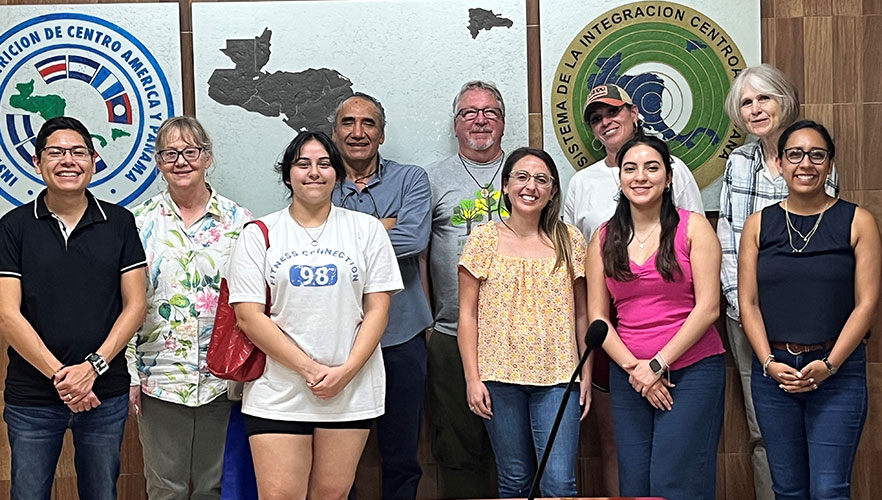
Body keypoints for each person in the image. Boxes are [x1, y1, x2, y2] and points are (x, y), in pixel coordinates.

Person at [227, 131, 402, 500]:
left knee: (332, 494)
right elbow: (248, 316)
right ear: (288, 174)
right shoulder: (259, 234)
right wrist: (310, 370)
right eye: (303, 164)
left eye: (324, 164)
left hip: (350, 387)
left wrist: (346, 371)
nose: (314, 172)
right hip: (279, 389)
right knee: (280, 496)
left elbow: (378, 309)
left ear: (337, 173)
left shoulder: (366, 230)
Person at [563, 82, 704, 495]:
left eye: (613, 112)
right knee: (621, 447)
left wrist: (656, 365)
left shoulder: (675, 169)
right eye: (596, 118)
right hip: (612, 335)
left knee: (675, 459)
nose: (606, 122)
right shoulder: (582, 183)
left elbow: (693, 247)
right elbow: (575, 260)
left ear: (635, 112)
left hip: (680, 338)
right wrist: (635, 367)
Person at [0, 116, 147, 500]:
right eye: (56, 152)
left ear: (94, 160)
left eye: (78, 152)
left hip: (105, 391)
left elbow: (135, 305)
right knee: (28, 494)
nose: (68, 160)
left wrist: (92, 368)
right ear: (37, 163)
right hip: (32, 396)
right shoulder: (13, 226)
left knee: (102, 493)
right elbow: (7, 315)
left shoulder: (119, 222)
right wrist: (65, 378)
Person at [738, 120, 880, 500]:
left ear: (830, 164)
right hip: (775, 375)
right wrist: (767, 363)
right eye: (795, 154)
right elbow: (747, 302)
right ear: (781, 164)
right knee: (788, 490)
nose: (806, 164)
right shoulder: (757, 225)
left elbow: (866, 303)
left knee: (830, 489)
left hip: (837, 374)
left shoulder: (858, 221)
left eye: (817, 155)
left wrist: (830, 364)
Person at [716, 64, 839, 500]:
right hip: (745, 316)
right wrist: (738, 302)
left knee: (819, 422)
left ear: (784, 100)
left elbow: (828, 245)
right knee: (763, 428)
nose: (756, 109)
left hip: (809, 321)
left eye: (764, 98)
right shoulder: (737, 163)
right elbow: (727, 241)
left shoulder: (813, 158)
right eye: (747, 102)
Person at [586, 135, 725, 500]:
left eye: (652, 167)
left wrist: (659, 364)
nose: (640, 176)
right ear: (619, 178)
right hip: (630, 377)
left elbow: (709, 307)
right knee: (635, 485)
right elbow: (598, 319)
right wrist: (638, 370)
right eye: (630, 168)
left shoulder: (694, 228)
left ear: (668, 177)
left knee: (675, 482)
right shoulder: (603, 237)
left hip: (692, 371)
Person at [127, 116, 252, 499]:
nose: (181, 161)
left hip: (224, 378)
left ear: (207, 157)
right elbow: (126, 304)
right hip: (159, 377)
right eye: (170, 153)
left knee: (216, 488)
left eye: (190, 152)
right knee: (165, 488)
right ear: (159, 162)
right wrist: (131, 372)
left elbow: (254, 302)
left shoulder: (241, 222)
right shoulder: (138, 223)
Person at [458, 147, 589, 497]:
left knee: (559, 482)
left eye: (541, 179)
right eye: (522, 176)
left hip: (559, 376)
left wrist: (585, 375)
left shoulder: (570, 240)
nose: (531, 186)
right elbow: (467, 315)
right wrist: (473, 378)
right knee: (515, 479)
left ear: (552, 192)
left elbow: (582, 314)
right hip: (498, 377)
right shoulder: (483, 239)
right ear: (505, 186)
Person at [330, 93, 432, 500]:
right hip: (338, 339)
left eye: (368, 123)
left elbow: (414, 238)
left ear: (382, 134)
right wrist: (382, 225)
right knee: (339, 458)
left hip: (401, 334)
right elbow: (311, 240)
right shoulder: (320, 178)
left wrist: (343, 234)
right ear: (335, 133)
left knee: (402, 453)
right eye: (348, 123)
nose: (358, 132)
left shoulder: (411, 179)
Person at [426, 79, 506, 499]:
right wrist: (428, 322)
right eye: (469, 113)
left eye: (490, 112)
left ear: (503, 122)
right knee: (457, 447)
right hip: (452, 333)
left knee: (517, 449)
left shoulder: (528, 173)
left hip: (517, 338)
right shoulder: (432, 179)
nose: (480, 121)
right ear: (455, 124)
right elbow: (419, 255)